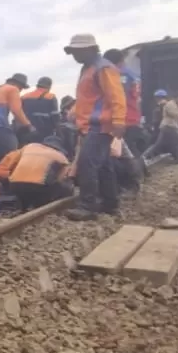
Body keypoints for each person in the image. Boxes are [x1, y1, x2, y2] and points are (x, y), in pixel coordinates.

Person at [62, 34, 127, 221]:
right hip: (90, 124)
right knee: (104, 166)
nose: (74, 56)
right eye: (73, 52)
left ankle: (87, 206)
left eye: (77, 51)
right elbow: (89, 97)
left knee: (86, 164)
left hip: (99, 125)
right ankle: (110, 203)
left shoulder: (103, 68)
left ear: (90, 49)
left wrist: (119, 121)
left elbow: (116, 96)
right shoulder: (88, 68)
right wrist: (76, 111)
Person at [0, 136, 73, 210]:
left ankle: (22, 202)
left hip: (16, 185)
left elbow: (0, 170)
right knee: (65, 188)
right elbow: (62, 178)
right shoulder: (61, 156)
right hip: (40, 189)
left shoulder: (28, 147)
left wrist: (8, 179)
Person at [0, 74, 33, 170]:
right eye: (21, 87)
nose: (21, 90)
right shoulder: (12, 89)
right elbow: (16, 110)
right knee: (12, 148)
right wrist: (28, 124)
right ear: (18, 84)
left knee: (4, 149)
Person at [103, 50, 147, 156]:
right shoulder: (133, 75)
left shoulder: (117, 75)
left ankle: (137, 170)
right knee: (131, 151)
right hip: (133, 117)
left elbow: (117, 98)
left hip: (122, 121)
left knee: (123, 153)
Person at [143, 91, 178, 166]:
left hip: (168, 127)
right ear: (177, 97)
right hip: (169, 126)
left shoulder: (174, 104)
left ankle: (144, 157)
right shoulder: (170, 104)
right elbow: (175, 114)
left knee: (158, 144)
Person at [20, 77, 59, 143]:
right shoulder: (51, 97)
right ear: (49, 86)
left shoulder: (24, 96)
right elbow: (55, 117)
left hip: (26, 131)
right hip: (44, 133)